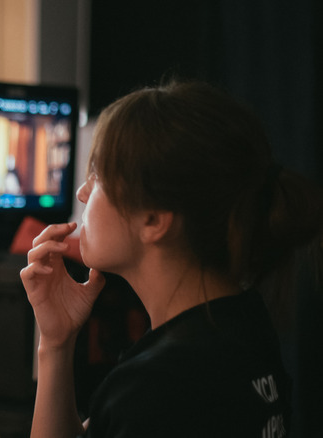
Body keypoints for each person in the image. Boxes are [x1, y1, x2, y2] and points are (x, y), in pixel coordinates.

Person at [21, 81, 323, 437]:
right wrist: (57, 342)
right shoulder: (242, 322)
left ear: (154, 220)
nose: (83, 192)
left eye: (99, 175)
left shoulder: (156, 386)